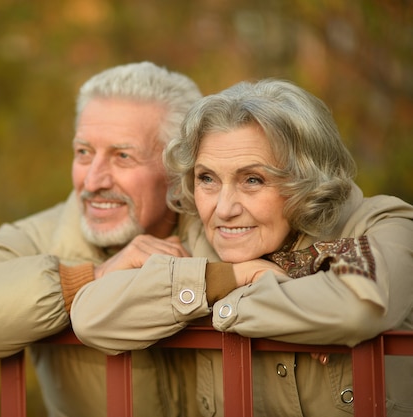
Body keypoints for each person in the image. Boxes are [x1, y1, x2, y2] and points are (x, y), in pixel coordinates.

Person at [71, 79, 413, 416]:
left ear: (307, 181)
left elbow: (356, 309)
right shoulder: (201, 243)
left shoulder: (384, 226)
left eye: (253, 180)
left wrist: (219, 302)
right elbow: (91, 316)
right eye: (207, 178)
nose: (223, 209)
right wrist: (234, 276)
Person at [0, 62, 203, 416]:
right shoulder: (42, 237)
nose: (92, 182)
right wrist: (91, 280)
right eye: (83, 153)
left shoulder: (226, 232)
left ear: (178, 168)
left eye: (122, 156)